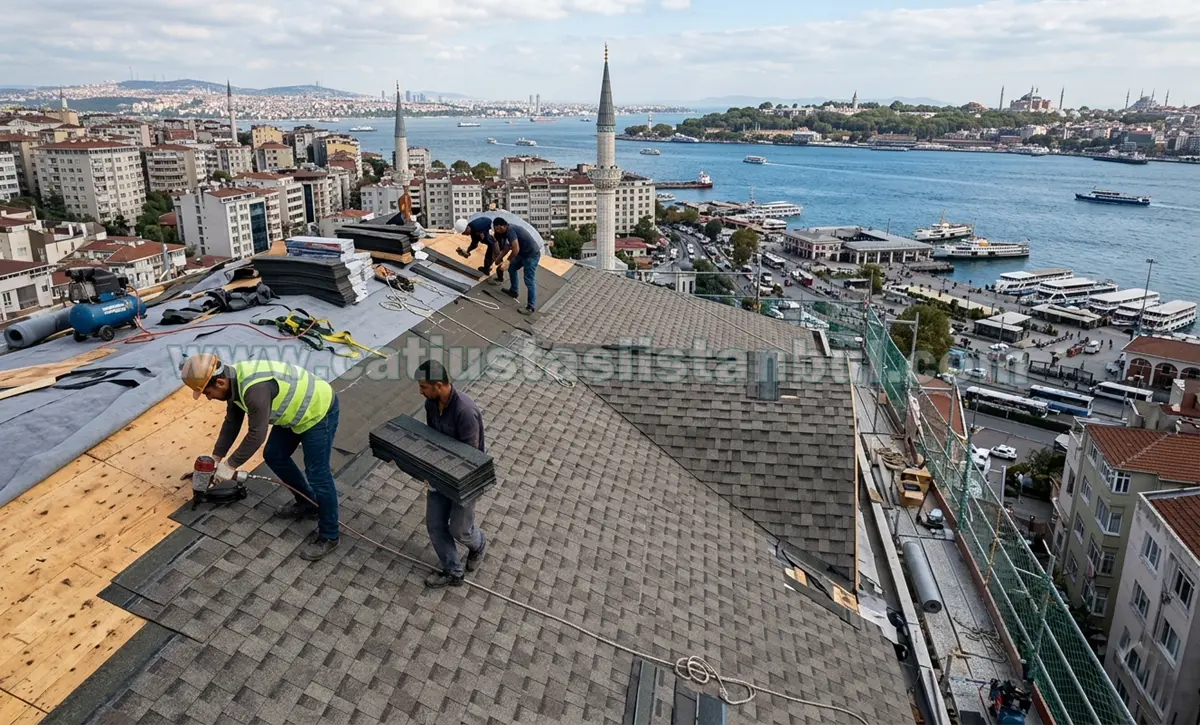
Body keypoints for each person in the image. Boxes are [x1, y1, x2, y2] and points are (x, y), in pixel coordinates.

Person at [181, 353, 341, 561]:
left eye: (207, 392)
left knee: (317, 474)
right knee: (274, 454)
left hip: (318, 411)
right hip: (294, 411)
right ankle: (308, 504)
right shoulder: (233, 382)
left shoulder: (254, 390)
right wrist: (216, 460)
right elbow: (232, 423)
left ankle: (330, 534)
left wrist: (230, 466)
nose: (208, 398)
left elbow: (257, 435)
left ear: (219, 382)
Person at [417, 360, 487, 588]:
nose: (420, 392)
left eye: (424, 387)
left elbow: (469, 456)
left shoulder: (465, 412)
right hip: (440, 475)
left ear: (438, 385)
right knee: (435, 525)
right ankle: (453, 572)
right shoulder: (430, 404)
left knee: (460, 531)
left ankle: (479, 544)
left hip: (465, 480)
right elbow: (432, 439)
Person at [494, 217, 544, 314]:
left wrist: (507, 261)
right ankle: (514, 291)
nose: (498, 231)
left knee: (529, 280)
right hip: (522, 254)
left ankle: (530, 307)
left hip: (531, 255)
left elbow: (515, 249)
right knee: (512, 268)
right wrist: (499, 258)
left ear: (503, 226)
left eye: (498, 229)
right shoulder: (508, 231)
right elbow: (507, 247)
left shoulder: (510, 231)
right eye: (496, 229)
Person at [454, 217, 510, 282]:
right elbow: (474, 244)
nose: (464, 234)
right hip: (491, 242)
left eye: (464, 232)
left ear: (466, 228)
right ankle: (487, 269)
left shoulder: (479, 226)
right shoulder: (473, 231)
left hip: (497, 240)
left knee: (497, 259)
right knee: (489, 256)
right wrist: (467, 251)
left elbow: (491, 224)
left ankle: (500, 278)